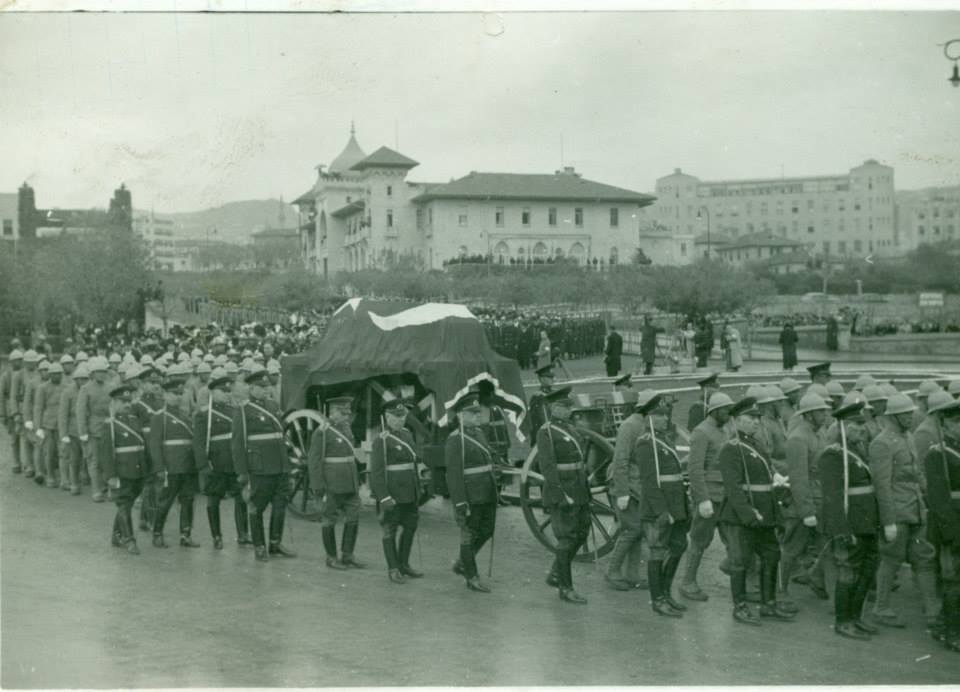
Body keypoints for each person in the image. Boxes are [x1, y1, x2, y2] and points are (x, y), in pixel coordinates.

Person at [718, 396, 793, 625]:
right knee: (740, 561)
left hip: (765, 514)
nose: (756, 422)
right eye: (751, 418)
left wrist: (777, 481)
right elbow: (733, 488)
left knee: (772, 556)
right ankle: (739, 607)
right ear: (737, 420)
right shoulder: (731, 449)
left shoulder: (755, 444)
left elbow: (767, 475)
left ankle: (768, 604)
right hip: (742, 516)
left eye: (757, 418)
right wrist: (749, 514)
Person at [869, 392, 940, 629]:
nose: (910, 417)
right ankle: (881, 608)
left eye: (910, 413)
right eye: (905, 414)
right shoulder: (881, 443)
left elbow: (917, 472)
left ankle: (933, 611)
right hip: (897, 513)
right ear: (893, 416)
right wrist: (888, 521)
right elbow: (882, 485)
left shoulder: (908, 437)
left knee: (925, 559)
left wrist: (929, 497)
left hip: (916, 509)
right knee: (891, 560)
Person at [820, 393, 882, 640]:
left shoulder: (858, 451)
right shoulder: (833, 455)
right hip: (850, 524)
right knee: (848, 573)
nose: (861, 428)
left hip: (866, 522)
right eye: (856, 425)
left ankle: (856, 616)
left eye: (861, 424)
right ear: (843, 427)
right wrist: (842, 530)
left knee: (866, 572)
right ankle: (843, 620)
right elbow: (833, 499)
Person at [629, 390, 689, 617]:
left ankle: (666, 592)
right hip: (658, 508)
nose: (665, 418)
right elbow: (650, 482)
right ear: (647, 418)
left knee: (678, 546)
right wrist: (663, 511)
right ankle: (658, 599)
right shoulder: (645, 443)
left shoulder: (662, 439)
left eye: (666, 415)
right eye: (659, 415)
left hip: (675, 504)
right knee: (657, 551)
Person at [232, 366, 296, 562]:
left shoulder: (273, 406)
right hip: (259, 467)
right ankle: (259, 546)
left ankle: (275, 543)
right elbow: (237, 444)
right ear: (251, 388)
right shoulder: (243, 410)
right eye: (260, 386)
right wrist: (243, 473)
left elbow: (281, 435)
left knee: (279, 506)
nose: (265, 389)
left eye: (266, 386)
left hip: (280, 465)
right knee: (256, 507)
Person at [537, 387, 591, 604]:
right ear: (554, 408)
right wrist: (561, 495)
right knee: (567, 539)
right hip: (564, 491)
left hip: (579, 488)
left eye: (570, 407)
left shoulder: (570, 428)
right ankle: (565, 587)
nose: (570, 411)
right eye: (565, 407)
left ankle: (556, 572)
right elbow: (548, 468)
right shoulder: (546, 432)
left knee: (581, 533)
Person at [680, 391, 735, 602]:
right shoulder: (701, 432)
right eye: (725, 410)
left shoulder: (725, 430)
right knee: (699, 540)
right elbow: (695, 469)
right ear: (714, 411)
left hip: (726, 495)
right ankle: (688, 582)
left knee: (733, 539)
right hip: (709, 496)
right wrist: (702, 499)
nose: (729, 413)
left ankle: (732, 569)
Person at [779, 391, 830, 611]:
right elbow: (798, 477)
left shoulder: (820, 433)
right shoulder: (798, 438)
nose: (825, 414)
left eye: (825, 410)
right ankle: (781, 591)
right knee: (792, 549)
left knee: (826, 544)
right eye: (820, 411)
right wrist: (807, 510)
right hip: (803, 501)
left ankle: (816, 577)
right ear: (808, 415)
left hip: (820, 496)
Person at [446, 390, 498, 593]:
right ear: (461, 415)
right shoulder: (455, 439)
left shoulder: (478, 433)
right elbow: (454, 474)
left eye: (478, 413)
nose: (478, 416)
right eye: (473, 413)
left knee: (486, 530)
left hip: (486, 492)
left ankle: (462, 562)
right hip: (471, 495)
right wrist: (460, 502)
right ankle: (471, 576)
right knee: (468, 534)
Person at [194, 367, 250, 549]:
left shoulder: (235, 411)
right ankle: (216, 536)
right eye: (222, 391)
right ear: (212, 392)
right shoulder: (204, 414)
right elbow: (199, 443)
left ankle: (243, 534)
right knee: (214, 499)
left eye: (228, 391)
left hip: (234, 461)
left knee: (241, 498)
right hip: (216, 462)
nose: (226, 394)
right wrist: (203, 466)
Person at [370, 397, 424, 584]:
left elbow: (412, 465)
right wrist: (383, 497)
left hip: (409, 493)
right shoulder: (381, 441)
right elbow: (376, 473)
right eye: (395, 416)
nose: (400, 420)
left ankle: (404, 564)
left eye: (402, 416)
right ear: (386, 417)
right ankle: (393, 569)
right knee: (389, 531)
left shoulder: (408, 435)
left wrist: (418, 489)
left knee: (410, 527)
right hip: (392, 494)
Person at [307, 395, 365, 570]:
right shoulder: (322, 432)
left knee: (353, 516)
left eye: (347, 413)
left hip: (350, 482)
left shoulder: (346, 428)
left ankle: (348, 555)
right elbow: (314, 462)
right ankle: (331, 557)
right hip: (332, 484)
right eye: (342, 413)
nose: (346, 416)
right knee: (329, 519)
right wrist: (318, 488)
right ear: (332, 412)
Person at [923, 402, 960, 653]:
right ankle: (951, 631)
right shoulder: (937, 454)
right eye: (956, 422)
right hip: (951, 525)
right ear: (944, 423)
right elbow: (938, 500)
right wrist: (953, 533)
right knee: (953, 580)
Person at [148, 372, 200, 548]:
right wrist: (160, 468)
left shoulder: (185, 416)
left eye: (180, 394)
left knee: (188, 500)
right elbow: (154, 446)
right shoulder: (159, 417)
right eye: (174, 394)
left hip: (187, 465)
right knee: (165, 501)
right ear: (165, 395)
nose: (178, 397)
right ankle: (157, 533)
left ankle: (185, 535)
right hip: (171, 466)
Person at [606, 389, 651, 591]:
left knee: (638, 530)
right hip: (626, 486)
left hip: (638, 486)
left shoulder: (645, 425)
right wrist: (622, 492)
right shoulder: (629, 426)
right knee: (631, 529)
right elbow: (620, 460)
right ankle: (613, 571)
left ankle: (632, 574)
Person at [100, 382, 149, 555]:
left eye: (129, 401)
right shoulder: (110, 425)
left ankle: (116, 535)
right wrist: (111, 475)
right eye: (123, 401)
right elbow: (106, 453)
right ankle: (129, 539)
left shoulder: (135, 419)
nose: (127, 405)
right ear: (115, 403)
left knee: (126, 503)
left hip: (138, 468)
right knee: (124, 503)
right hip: (122, 469)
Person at [77, 356, 112, 502]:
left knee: (109, 460)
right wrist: (83, 431)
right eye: (98, 372)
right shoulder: (85, 389)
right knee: (94, 461)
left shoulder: (110, 387)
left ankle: (110, 488)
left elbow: (114, 406)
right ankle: (96, 490)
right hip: (93, 428)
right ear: (92, 373)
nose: (102, 374)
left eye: (104, 372)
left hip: (108, 427)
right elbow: (81, 411)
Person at [34, 362, 65, 489]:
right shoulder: (42, 388)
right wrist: (38, 427)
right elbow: (38, 408)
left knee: (63, 452)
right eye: (54, 374)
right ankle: (50, 477)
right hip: (48, 424)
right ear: (50, 375)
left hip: (62, 424)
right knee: (50, 452)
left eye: (59, 374)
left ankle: (64, 479)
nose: (57, 376)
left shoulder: (66, 387)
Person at [58, 362, 87, 494]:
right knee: (74, 458)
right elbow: (63, 414)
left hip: (87, 429)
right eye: (81, 379)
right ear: (76, 379)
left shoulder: (89, 390)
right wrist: (63, 434)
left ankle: (85, 478)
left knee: (89, 457)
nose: (83, 381)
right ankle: (74, 483)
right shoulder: (68, 392)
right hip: (73, 430)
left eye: (86, 379)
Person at [2, 348, 25, 474]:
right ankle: (16, 461)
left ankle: (28, 462)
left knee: (27, 438)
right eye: (15, 361)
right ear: (11, 362)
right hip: (11, 409)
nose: (18, 363)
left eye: (20, 360)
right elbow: (1, 396)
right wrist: (3, 414)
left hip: (24, 407)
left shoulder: (25, 373)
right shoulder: (6, 376)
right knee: (14, 438)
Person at [527, 364, 555, 443]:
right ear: (542, 379)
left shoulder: (554, 393)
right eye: (549, 377)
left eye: (552, 377)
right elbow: (538, 421)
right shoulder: (538, 397)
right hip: (545, 435)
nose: (553, 379)